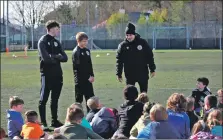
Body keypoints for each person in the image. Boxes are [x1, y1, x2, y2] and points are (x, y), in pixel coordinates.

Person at [38, 20, 68, 129]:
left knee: (55, 100)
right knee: (43, 99)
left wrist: (54, 56)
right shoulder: (43, 41)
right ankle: (43, 123)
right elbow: (46, 59)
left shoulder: (57, 42)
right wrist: (57, 57)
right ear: (50, 29)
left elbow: (65, 58)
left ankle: (54, 121)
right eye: (56, 29)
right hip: (47, 74)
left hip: (58, 75)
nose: (58, 31)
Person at [116, 22, 156, 93]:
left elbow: (149, 56)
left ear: (134, 34)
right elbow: (119, 61)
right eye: (127, 35)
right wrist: (118, 74)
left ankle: (143, 104)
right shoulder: (122, 46)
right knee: (130, 95)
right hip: (130, 75)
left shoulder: (142, 43)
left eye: (130, 35)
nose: (128, 37)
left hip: (142, 74)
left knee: (143, 95)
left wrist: (152, 69)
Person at [72, 32, 95, 112]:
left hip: (88, 80)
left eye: (86, 41)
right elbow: (78, 68)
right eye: (84, 41)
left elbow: (89, 64)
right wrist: (87, 77)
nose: (86, 43)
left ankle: (90, 117)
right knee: (79, 101)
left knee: (90, 99)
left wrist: (92, 75)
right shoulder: (76, 52)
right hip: (80, 80)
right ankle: (77, 119)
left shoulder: (87, 51)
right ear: (78, 41)